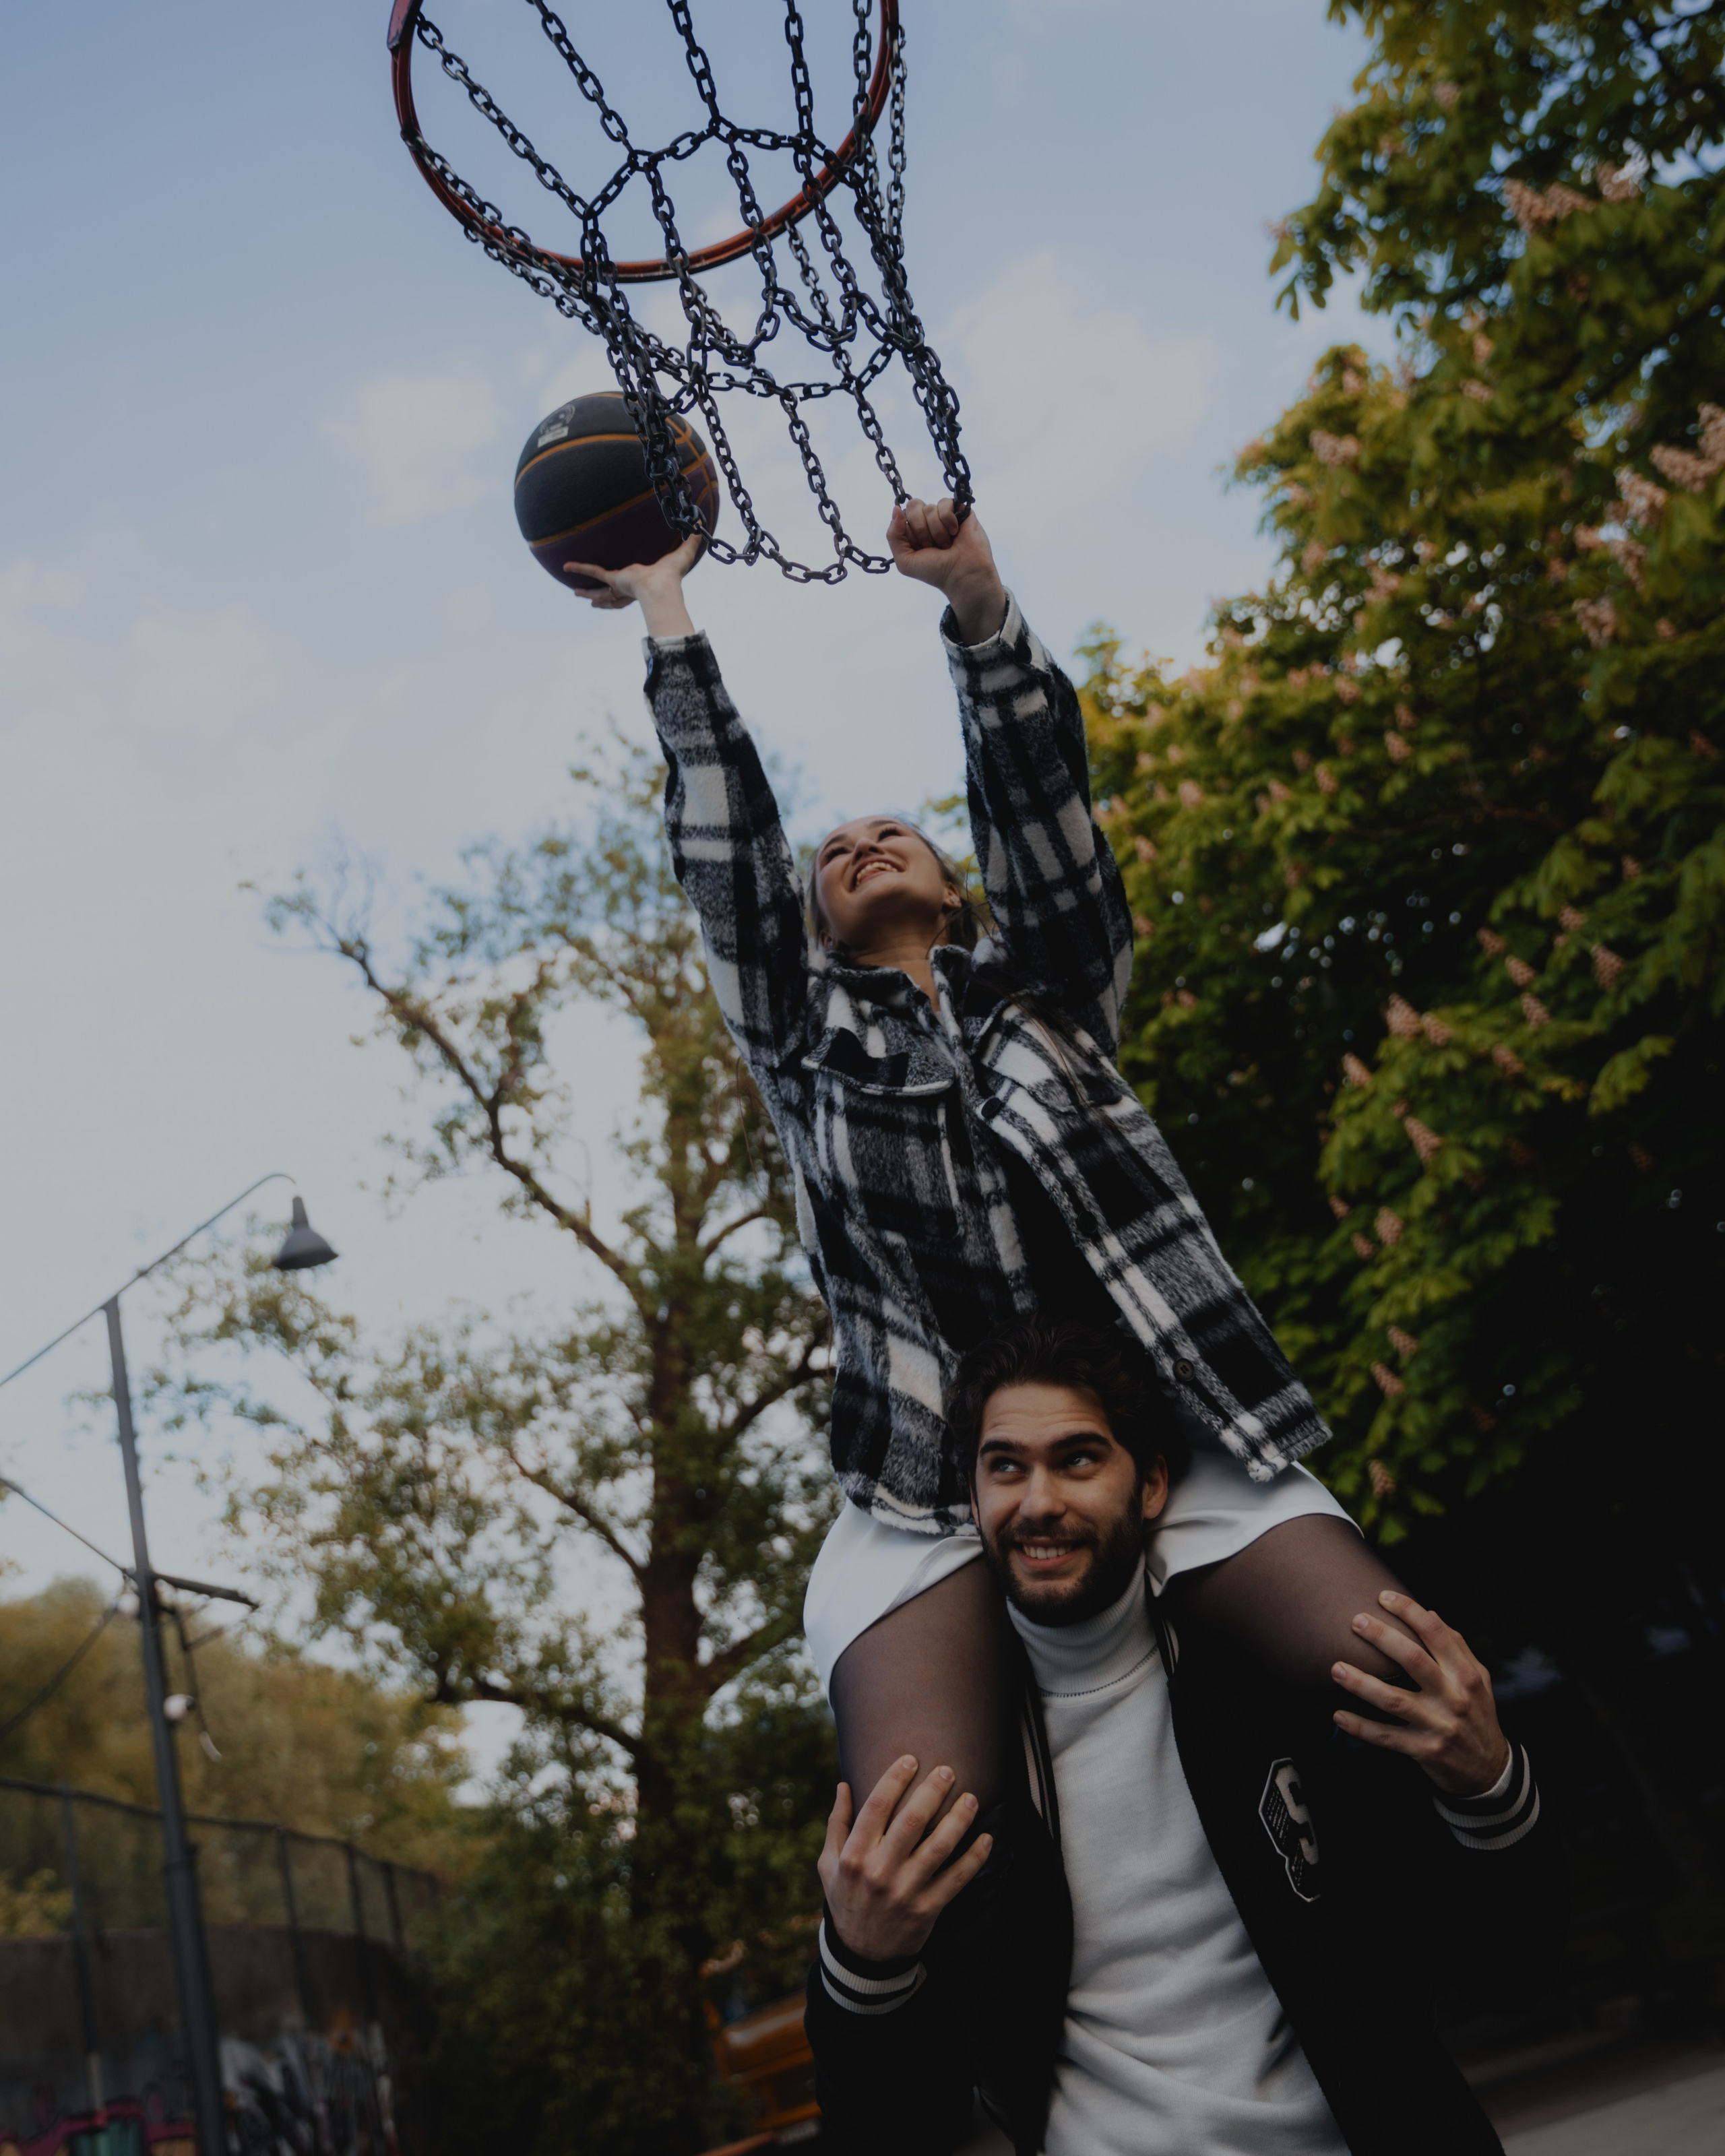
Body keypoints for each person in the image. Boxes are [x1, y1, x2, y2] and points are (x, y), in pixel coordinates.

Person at [569, 499, 1441, 2136]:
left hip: (1174, 1439)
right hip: (928, 1485)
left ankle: (1350, 2037)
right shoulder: (802, 1042)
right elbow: (720, 849)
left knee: (1394, 1674)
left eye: (889, 832)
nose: (852, 845)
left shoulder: (1053, 984)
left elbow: (1044, 809)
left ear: (956, 893)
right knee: (933, 1824)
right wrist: (667, 614)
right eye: (830, 856)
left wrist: (971, 598)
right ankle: (1027, 2100)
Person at [807, 1317, 1564, 2155]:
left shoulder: (1298, 1694)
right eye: (1005, 1467)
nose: (1038, 1501)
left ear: (1154, 1484)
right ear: (973, 1498)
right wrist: (864, 1963)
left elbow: (1513, 1968)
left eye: (1078, 1459)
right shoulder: (946, 1785)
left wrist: (1486, 1781)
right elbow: (886, 2132)